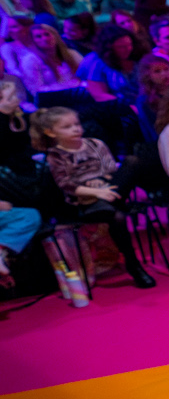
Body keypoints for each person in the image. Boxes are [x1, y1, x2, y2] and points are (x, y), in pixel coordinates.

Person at [30, 105, 157, 289]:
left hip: (108, 189)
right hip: (83, 202)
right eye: (67, 127)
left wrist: (101, 183)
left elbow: (111, 170)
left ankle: (108, 202)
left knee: (131, 162)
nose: (76, 129)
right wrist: (95, 191)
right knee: (117, 217)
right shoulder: (56, 155)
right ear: (51, 132)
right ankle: (134, 265)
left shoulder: (95, 144)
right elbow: (66, 184)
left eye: (76, 124)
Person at [0, 77, 43, 289]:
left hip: (21, 175)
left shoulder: (17, 119)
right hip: (9, 181)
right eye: (11, 97)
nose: (16, 100)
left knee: (31, 215)